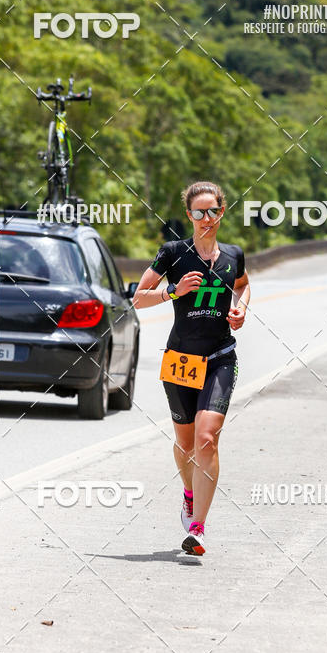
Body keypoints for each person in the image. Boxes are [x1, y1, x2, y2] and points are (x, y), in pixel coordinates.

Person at [133, 181, 250, 556]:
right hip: (181, 360)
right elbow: (138, 298)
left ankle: (197, 527)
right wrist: (173, 291)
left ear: (222, 211)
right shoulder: (173, 253)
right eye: (199, 212)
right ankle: (188, 493)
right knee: (185, 445)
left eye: (212, 211)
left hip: (220, 356)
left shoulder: (233, 255)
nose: (206, 218)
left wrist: (240, 308)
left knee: (206, 438)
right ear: (189, 215)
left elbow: (243, 285)